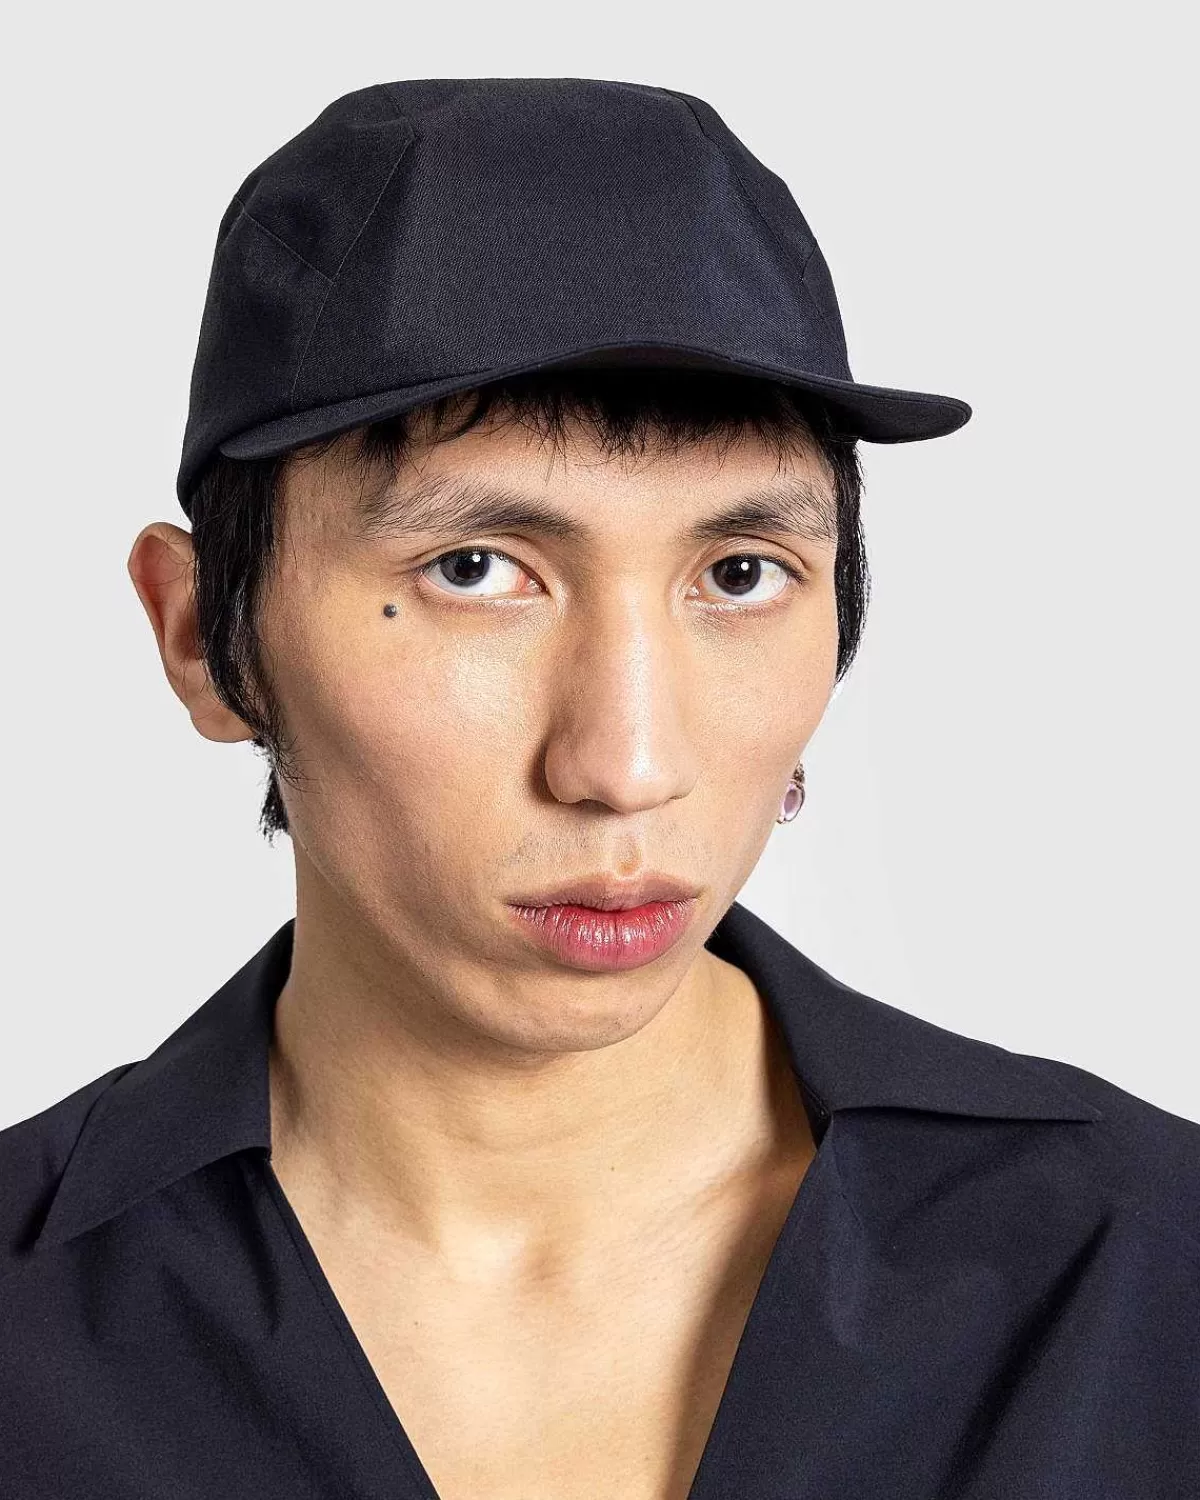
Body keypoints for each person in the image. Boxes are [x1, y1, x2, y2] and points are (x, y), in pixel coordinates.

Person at [3, 77, 1196, 1500]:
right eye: (474, 571)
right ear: (205, 637)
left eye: (739, 575)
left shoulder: (1148, 1268)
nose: (627, 765)